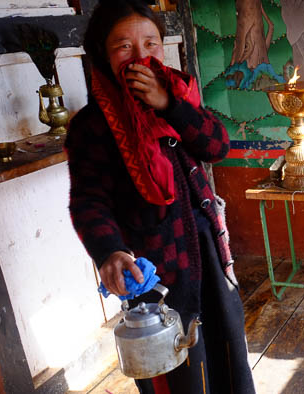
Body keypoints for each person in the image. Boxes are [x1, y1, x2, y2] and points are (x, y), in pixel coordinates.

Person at [65, 0, 255, 392]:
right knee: (176, 374)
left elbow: (216, 146)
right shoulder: (92, 126)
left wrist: (170, 107)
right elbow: (89, 201)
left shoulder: (177, 100)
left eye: (151, 44)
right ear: (101, 55)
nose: (141, 57)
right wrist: (109, 252)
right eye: (124, 47)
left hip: (206, 255)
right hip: (154, 275)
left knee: (227, 358)